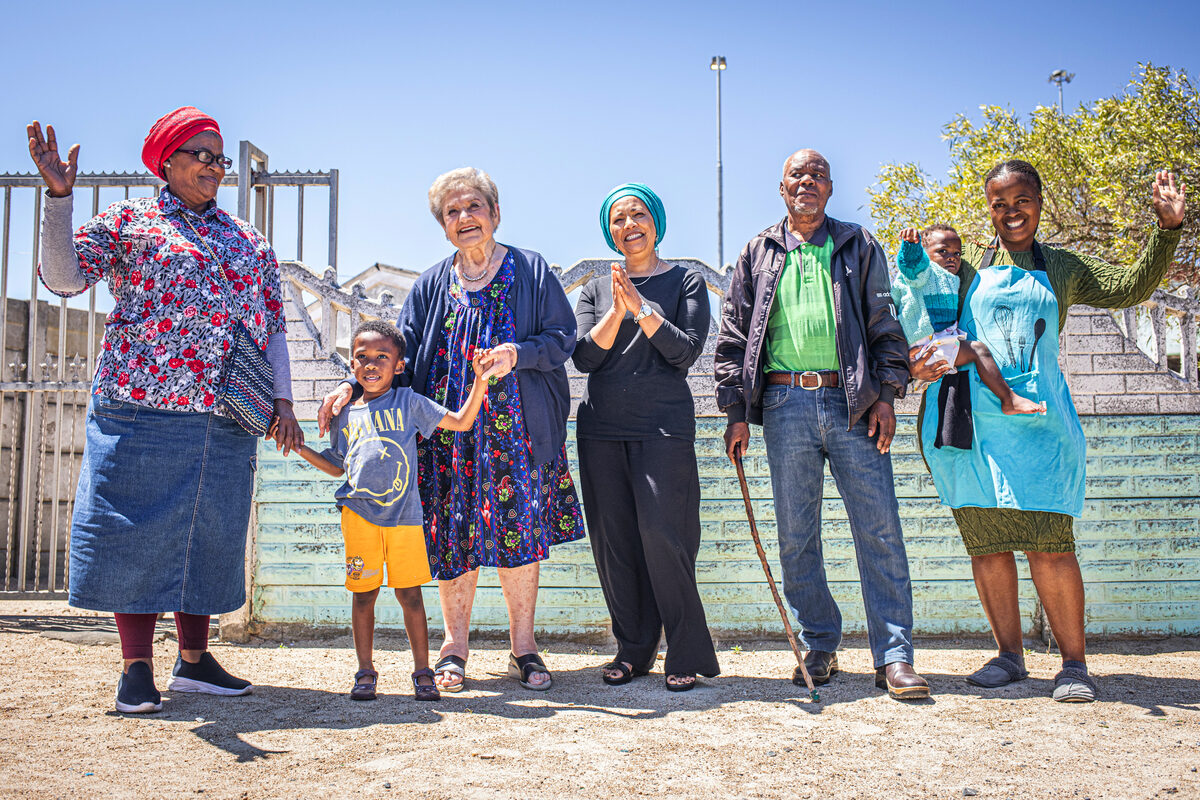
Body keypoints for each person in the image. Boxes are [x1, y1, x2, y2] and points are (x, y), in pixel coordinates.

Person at [28, 108, 302, 714]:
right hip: (140, 412)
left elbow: (274, 331)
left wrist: (282, 401)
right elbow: (65, 278)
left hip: (224, 415)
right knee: (137, 539)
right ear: (167, 161)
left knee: (208, 538)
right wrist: (58, 198)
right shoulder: (132, 222)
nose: (212, 166)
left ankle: (195, 661)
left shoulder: (248, 243)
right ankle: (136, 668)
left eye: (219, 157)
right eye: (199, 154)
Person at [909, 160, 1186, 702]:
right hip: (977, 428)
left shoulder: (1061, 267)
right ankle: (1010, 657)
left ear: (1039, 200)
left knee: (1051, 547)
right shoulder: (967, 271)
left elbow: (1130, 287)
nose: (1012, 212)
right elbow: (927, 318)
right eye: (1000, 203)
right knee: (987, 547)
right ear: (988, 208)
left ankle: (1075, 666)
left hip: (1041, 425)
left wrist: (1167, 230)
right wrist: (917, 362)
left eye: (1022, 200)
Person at [318, 168, 585, 693]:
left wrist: (518, 353)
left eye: (474, 207)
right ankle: (454, 647)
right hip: (447, 437)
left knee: (519, 535)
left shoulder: (530, 269)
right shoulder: (432, 283)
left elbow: (562, 337)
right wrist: (351, 386)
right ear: (443, 227)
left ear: (495, 213)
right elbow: (401, 356)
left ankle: (524, 648)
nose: (465, 218)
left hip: (518, 432)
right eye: (452, 212)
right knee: (453, 536)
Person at [714, 149, 929, 700]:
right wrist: (736, 412)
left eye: (817, 176)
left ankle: (896, 656)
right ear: (781, 187)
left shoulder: (857, 244)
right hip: (785, 408)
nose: (806, 183)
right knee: (795, 536)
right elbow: (734, 337)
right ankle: (819, 642)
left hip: (853, 404)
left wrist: (886, 395)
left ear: (830, 188)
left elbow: (885, 324)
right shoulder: (757, 251)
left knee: (879, 529)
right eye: (796, 176)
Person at [296, 320, 500, 701]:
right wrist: (298, 446)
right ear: (352, 366)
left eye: (382, 357)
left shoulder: (409, 402)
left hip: (404, 519)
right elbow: (337, 464)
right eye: (362, 358)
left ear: (400, 365)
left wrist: (481, 382)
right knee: (363, 595)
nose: (371, 365)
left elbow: (461, 422)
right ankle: (365, 672)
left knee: (410, 595)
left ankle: (422, 671)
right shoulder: (344, 413)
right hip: (357, 519)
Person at [571, 183, 720, 691]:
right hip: (601, 430)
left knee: (665, 535)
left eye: (637, 215)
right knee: (615, 543)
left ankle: (684, 650)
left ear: (655, 220)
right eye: (618, 219)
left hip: (663, 428)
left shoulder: (686, 282)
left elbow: (684, 354)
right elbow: (585, 357)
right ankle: (633, 649)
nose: (628, 225)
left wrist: (642, 307)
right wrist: (617, 308)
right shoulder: (594, 288)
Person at [891, 225, 1044, 414]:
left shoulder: (950, 278)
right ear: (925, 253)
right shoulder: (924, 273)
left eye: (957, 253)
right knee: (978, 350)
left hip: (934, 344)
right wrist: (911, 246)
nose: (951, 257)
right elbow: (911, 264)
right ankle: (1008, 399)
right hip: (925, 346)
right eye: (942, 251)